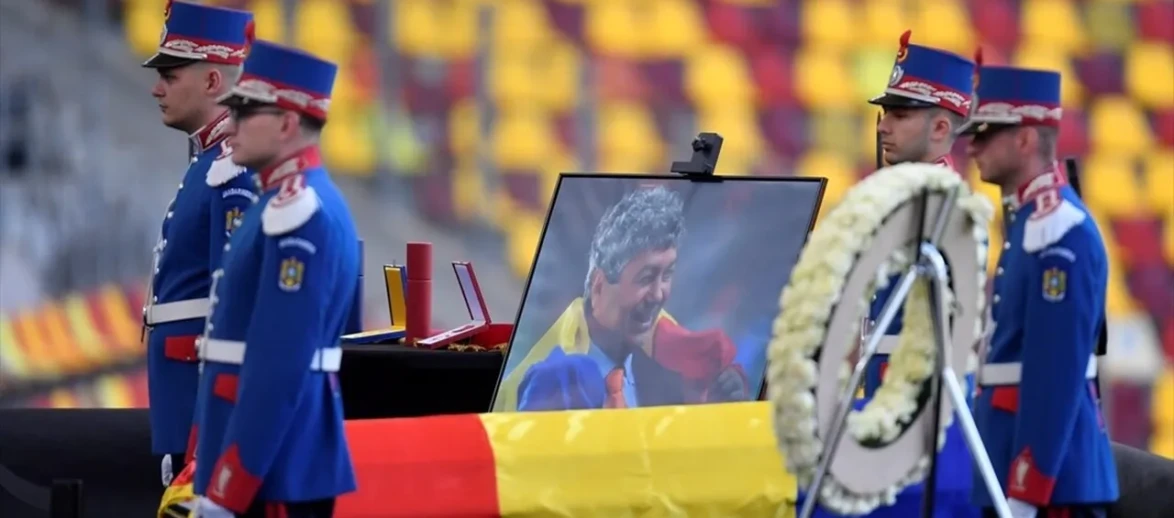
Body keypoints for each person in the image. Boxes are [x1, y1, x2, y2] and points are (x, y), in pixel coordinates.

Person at [190, 41, 358, 518]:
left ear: (287, 124)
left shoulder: (298, 212)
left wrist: (230, 485)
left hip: (271, 469)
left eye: (246, 112)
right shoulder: (276, 201)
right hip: (259, 456)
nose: (231, 123)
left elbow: (279, 364)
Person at [963, 65, 1118, 518]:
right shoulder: (1031, 222)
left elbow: (1055, 371)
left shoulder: (1057, 230)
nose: (972, 145)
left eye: (986, 134)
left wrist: (1029, 486)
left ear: (1026, 139)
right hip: (1014, 464)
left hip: (1052, 484)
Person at [493, 186, 749, 412]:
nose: (659, 294)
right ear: (600, 285)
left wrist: (722, 402)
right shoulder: (555, 378)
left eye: (667, 275)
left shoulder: (671, 361)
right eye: (646, 277)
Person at [139, 0, 258, 488]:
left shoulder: (231, 170)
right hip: (184, 407)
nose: (156, 88)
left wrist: (208, 434)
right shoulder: (209, 162)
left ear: (212, 82)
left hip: (199, 413)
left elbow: (231, 313)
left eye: (171, 74)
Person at [863, 30, 976, 397]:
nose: (882, 126)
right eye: (883, 114)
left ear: (941, 127)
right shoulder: (905, 198)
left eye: (898, 115)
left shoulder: (946, 209)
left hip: (921, 406)